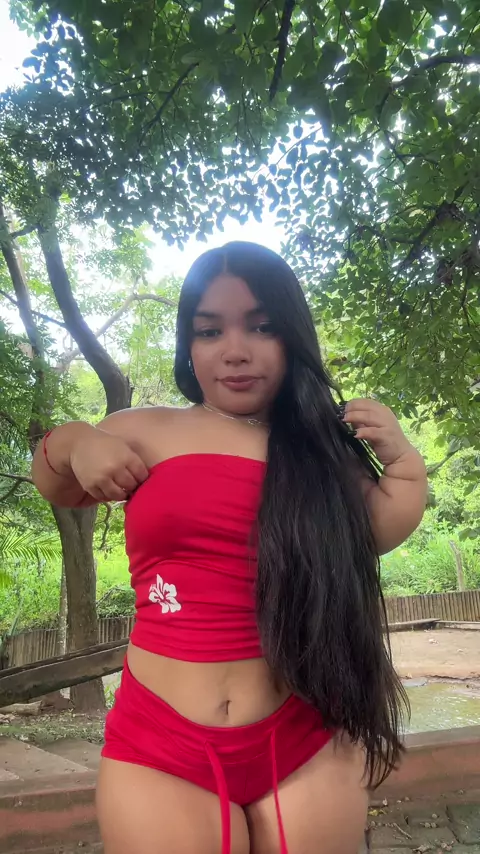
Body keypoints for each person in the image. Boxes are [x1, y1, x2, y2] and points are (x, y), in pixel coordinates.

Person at [32, 241, 427, 854]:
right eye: (210, 330)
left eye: (262, 327)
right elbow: (55, 480)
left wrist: (404, 465)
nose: (235, 350)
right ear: (189, 346)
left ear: (292, 337)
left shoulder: (321, 449)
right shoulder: (145, 429)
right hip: (161, 743)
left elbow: (373, 534)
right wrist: (77, 440)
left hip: (303, 735)